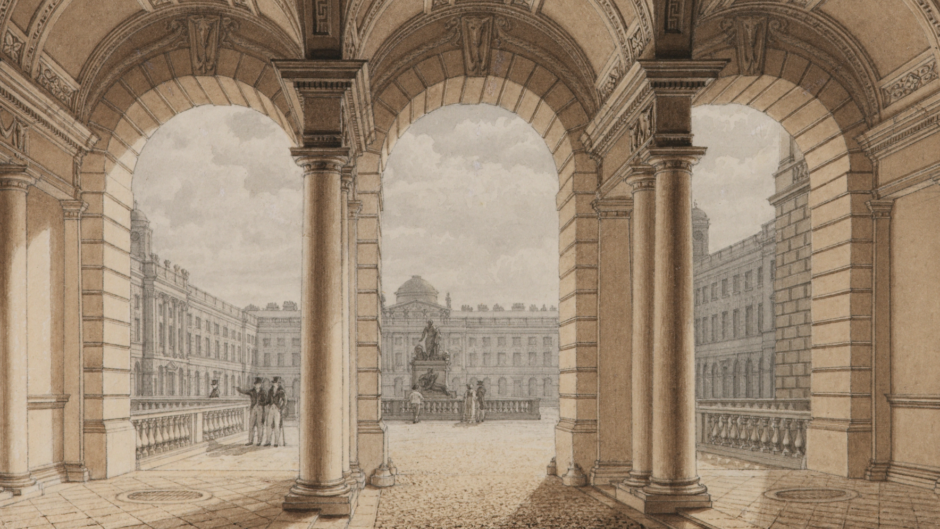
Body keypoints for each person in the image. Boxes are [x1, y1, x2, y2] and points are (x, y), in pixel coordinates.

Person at [236, 377, 267, 446]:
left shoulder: (263, 392)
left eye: (258, 384)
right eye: (256, 384)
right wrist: (238, 389)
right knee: (251, 425)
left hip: (260, 409)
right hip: (253, 409)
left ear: (260, 385)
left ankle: (259, 441)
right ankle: (250, 440)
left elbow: (266, 401)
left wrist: (260, 404)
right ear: (254, 385)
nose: (257, 385)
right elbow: (244, 391)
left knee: (259, 425)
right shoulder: (252, 391)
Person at [265, 377, 287, 447]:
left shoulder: (281, 391)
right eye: (274, 382)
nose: (275, 384)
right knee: (269, 425)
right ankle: (268, 441)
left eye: (276, 382)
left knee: (277, 425)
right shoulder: (270, 390)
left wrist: (281, 408)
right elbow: (268, 400)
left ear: (278, 383)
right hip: (271, 409)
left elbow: (285, 401)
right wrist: (264, 403)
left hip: (277, 409)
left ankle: (276, 442)